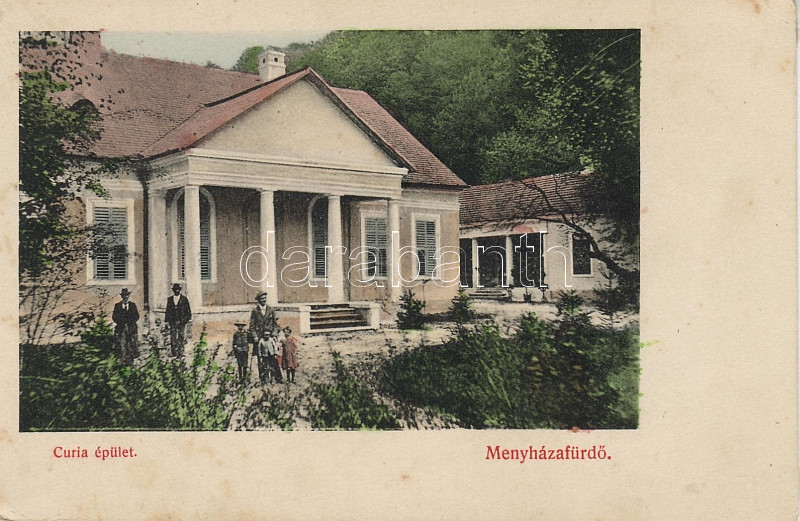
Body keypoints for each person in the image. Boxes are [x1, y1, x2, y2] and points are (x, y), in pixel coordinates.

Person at [248, 291, 280, 384]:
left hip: (269, 338)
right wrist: (255, 336)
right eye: (262, 298)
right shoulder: (255, 311)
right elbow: (252, 326)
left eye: (265, 298)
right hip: (259, 339)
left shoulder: (271, 310)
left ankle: (277, 378)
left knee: (273, 358)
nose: (264, 300)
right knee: (261, 359)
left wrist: (274, 335)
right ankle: (263, 379)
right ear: (258, 300)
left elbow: (275, 325)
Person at [112, 288, 139, 364]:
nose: (126, 297)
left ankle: (131, 360)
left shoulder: (133, 305)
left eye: (127, 295)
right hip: (121, 328)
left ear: (129, 296)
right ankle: (122, 360)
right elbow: (114, 317)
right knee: (122, 344)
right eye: (124, 295)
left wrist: (130, 322)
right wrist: (122, 322)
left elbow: (136, 316)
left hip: (131, 328)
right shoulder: (117, 305)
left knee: (131, 344)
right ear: (122, 296)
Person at [164, 283, 192, 358]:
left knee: (181, 336)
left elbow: (188, 310)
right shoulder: (170, 299)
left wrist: (187, 319)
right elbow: (167, 310)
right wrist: (166, 321)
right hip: (172, 321)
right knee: (173, 336)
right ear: (173, 291)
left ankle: (180, 352)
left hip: (181, 321)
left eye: (178, 289)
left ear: (180, 290)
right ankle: (174, 352)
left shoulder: (184, 299)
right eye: (175, 290)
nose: (176, 291)